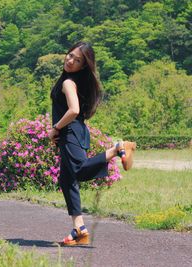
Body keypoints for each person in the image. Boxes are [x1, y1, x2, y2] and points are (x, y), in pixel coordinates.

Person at [49, 41, 136, 247]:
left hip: (70, 132)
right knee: (66, 180)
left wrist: (55, 128)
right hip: (74, 132)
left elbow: (74, 110)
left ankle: (117, 148)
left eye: (77, 60)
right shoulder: (72, 81)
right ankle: (79, 229)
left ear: (83, 66)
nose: (70, 61)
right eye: (70, 55)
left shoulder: (68, 83)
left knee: (78, 172)